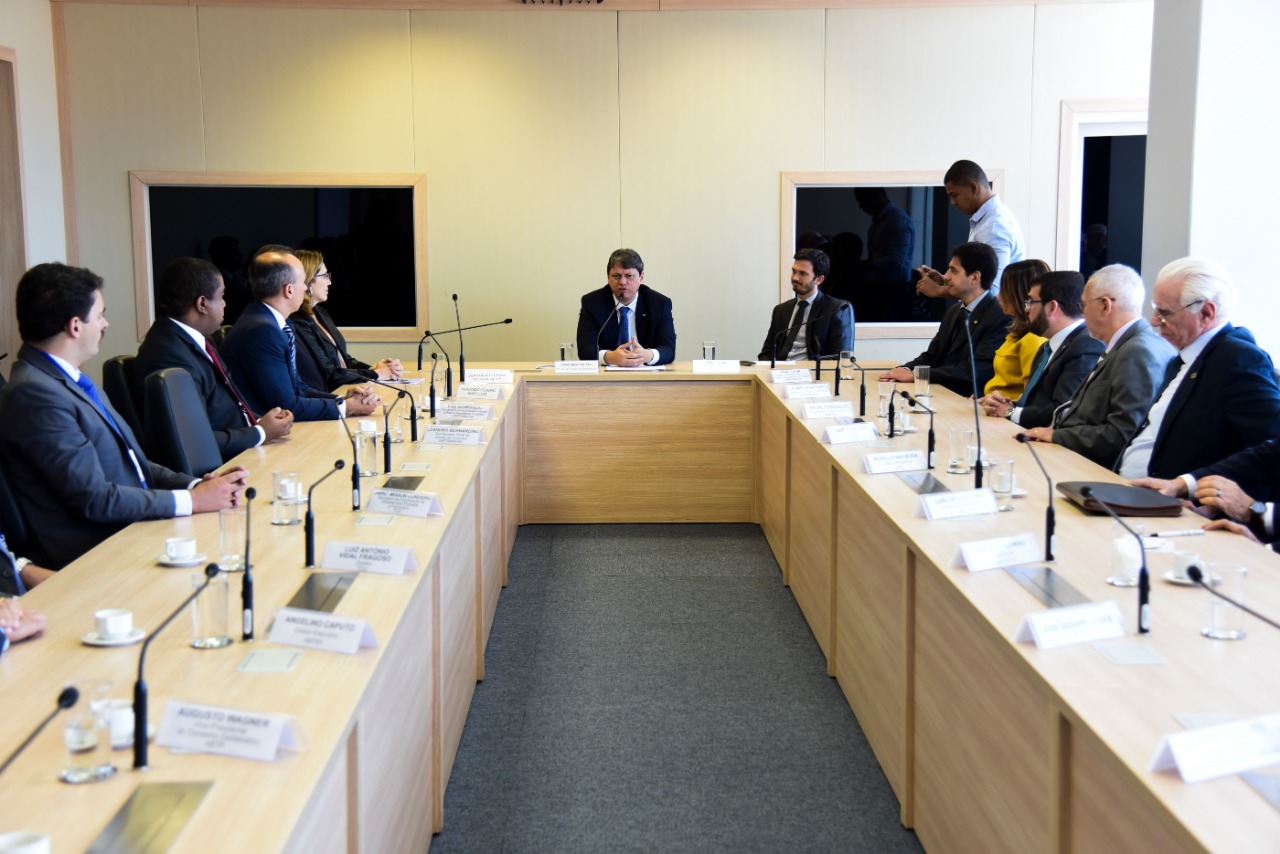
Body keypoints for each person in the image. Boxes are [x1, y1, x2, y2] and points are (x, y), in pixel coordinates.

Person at [0, 263, 248, 569]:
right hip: (98, 552)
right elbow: (94, 499)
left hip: (131, 527)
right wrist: (194, 501)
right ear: (75, 326)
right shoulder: (35, 395)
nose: (104, 324)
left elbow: (132, 463)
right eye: (99, 316)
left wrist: (195, 486)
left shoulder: (68, 380)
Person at [1115, 258, 1280, 480]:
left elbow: (1271, 445)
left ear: (1206, 313)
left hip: (1177, 498)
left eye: (1164, 312)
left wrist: (1194, 486)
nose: (1154, 321)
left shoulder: (1237, 359)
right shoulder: (1183, 358)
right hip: (1129, 487)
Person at [133, 257, 294, 462]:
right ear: (202, 304)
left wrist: (263, 421)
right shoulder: (168, 355)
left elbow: (227, 406)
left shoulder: (193, 339)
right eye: (221, 296)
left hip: (243, 448)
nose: (225, 303)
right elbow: (192, 440)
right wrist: (260, 433)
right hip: (223, 466)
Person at [1021, 264, 1175, 469]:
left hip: (1087, 466)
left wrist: (1057, 436)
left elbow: (1121, 434)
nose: (1082, 314)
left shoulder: (1137, 352)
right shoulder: (1125, 345)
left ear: (1105, 305)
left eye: (1083, 305)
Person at [221, 248, 381, 421]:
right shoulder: (261, 331)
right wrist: (346, 408)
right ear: (289, 290)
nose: (305, 288)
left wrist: (342, 400)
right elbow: (286, 405)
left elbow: (300, 388)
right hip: (267, 431)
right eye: (303, 282)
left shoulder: (273, 321)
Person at [879, 242, 1010, 396]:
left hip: (969, 401)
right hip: (940, 394)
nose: (946, 276)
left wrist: (916, 375)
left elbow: (974, 371)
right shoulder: (954, 311)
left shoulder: (1000, 317)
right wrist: (904, 370)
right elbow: (931, 356)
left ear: (974, 277)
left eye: (953, 271)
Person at [979, 271, 1103, 427]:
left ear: (1052, 307)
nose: (1026, 309)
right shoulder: (1047, 347)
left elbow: (1063, 411)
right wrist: (1000, 404)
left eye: (1030, 302)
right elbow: (1035, 404)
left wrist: (1010, 412)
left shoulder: (1086, 346)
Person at [291, 249, 402, 392]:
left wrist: (376, 369)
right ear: (308, 280)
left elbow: (345, 361)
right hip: (331, 394)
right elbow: (329, 372)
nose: (329, 282)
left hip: (346, 388)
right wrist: (376, 374)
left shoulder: (320, 313)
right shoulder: (297, 320)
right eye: (324, 276)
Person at [917, 160, 1025, 299]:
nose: (953, 202)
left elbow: (991, 292)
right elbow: (978, 283)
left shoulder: (994, 227)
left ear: (973, 188)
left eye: (954, 195)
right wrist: (945, 282)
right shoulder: (989, 220)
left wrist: (938, 290)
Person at [576, 248, 676, 367]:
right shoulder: (592, 303)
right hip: (606, 376)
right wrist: (610, 357)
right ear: (608, 277)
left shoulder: (659, 304)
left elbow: (668, 349)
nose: (622, 282)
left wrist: (647, 355)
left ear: (641, 278)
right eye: (616, 276)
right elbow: (585, 349)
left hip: (646, 374)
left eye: (629, 276)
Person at [757, 249, 853, 363]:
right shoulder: (781, 310)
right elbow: (767, 353)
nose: (795, 278)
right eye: (794, 271)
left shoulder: (836, 309)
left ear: (819, 279)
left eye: (803, 273)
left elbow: (839, 356)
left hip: (813, 371)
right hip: (781, 370)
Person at [981, 260, 1050, 400]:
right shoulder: (1015, 335)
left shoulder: (1033, 339)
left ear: (1021, 294)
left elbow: (1028, 401)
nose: (998, 296)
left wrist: (1003, 407)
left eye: (1004, 290)